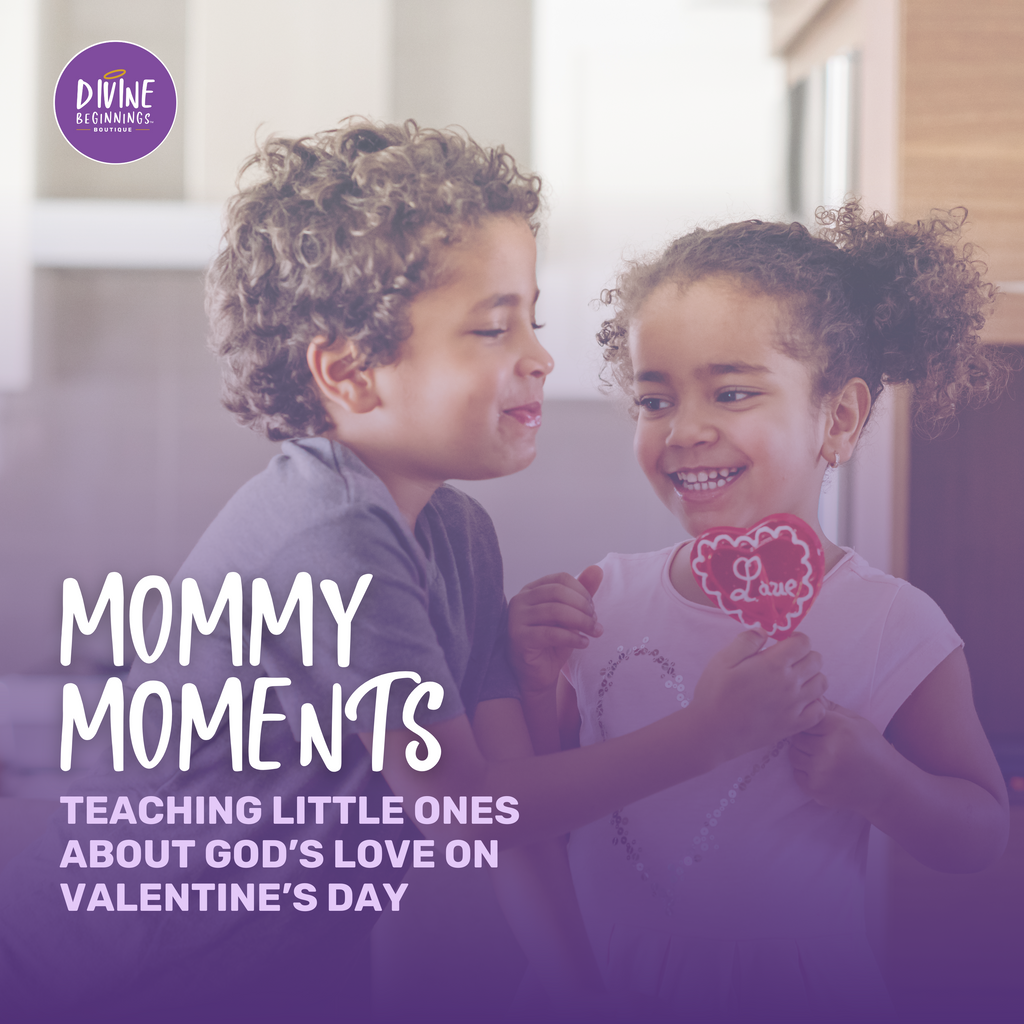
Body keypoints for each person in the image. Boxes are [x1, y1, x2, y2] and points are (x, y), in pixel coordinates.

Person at [0, 121, 825, 1024]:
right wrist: (709, 734)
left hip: (278, 974)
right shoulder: (329, 535)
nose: (540, 357)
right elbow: (469, 810)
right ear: (351, 374)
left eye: (534, 319)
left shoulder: (456, 535)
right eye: (491, 327)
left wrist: (580, 988)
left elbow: (510, 814)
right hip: (94, 986)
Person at [508, 205, 1011, 1022]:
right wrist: (534, 678)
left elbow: (980, 831)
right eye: (655, 400)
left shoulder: (893, 623)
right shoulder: (606, 599)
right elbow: (546, 803)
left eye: (732, 392)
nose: (686, 430)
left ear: (838, 419)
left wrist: (882, 784)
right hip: (598, 987)